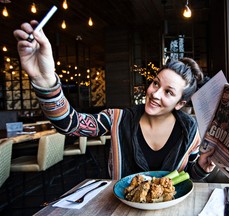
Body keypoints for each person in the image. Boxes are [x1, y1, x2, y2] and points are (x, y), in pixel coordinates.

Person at [14, 20, 215, 180]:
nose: (155, 93)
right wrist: (44, 79)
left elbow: (188, 177)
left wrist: (201, 167)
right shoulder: (117, 118)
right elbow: (69, 124)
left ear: (180, 103)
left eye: (169, 92)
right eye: (155, 83)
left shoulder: (190, 129)